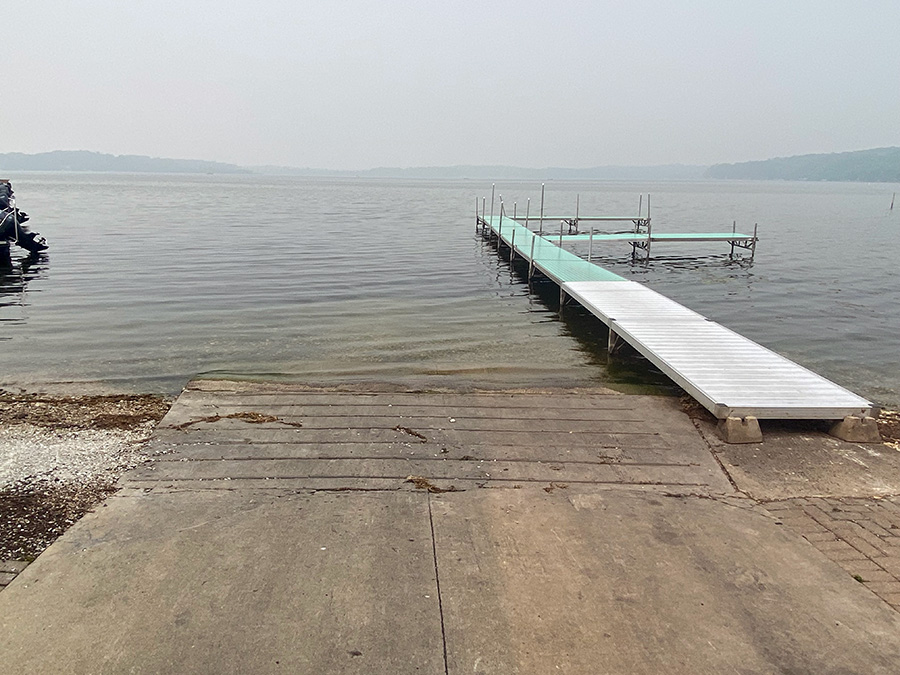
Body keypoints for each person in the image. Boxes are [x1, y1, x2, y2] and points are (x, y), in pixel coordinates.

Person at [0, 180, 46, 252]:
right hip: (8, 220)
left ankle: (34, 246)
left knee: (21, 238)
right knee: (20, 238)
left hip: (7, 222)